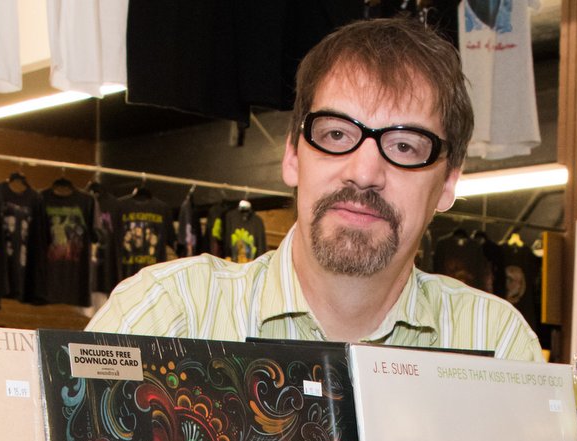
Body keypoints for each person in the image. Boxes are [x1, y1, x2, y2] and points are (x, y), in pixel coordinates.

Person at [86, 18, 542, 361]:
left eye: (404, 146)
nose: (364, 172)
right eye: (336, 135)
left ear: (447, 183)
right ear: (291, 155)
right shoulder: (168, 318)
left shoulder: (495, 344)